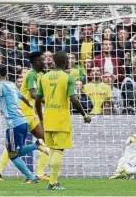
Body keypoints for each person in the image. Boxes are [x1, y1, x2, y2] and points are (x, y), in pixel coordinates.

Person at [0, 65, 50, 184]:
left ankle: (34, 160)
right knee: (15, 152)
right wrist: (29, 105)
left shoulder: (1, 85)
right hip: (23, 121)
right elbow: (23, 97)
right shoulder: (12, 85)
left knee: (12, 154)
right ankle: (32, 174)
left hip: (14, 123)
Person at [35, 51, 91, 190]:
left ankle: (53, 181)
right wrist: (84, 114)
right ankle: (53, 183)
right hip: (61, 119)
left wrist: (41, 118)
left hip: (48, 117)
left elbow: (37, 100)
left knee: (53, 150)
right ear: (66, 62)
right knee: (58, 150)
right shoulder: (68, 78)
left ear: (53, 61)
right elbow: (73, 99)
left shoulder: (44, 77)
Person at [0, 51, 49, 181]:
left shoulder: (39, 74)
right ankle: (38, 173)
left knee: (15, 147)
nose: (45, 62)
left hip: (29, 112)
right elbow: (33, 95)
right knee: (44, 139)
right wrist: (52, 101)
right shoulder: (31, 74)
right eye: (42, 60)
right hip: (24, 113)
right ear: (36, 61)